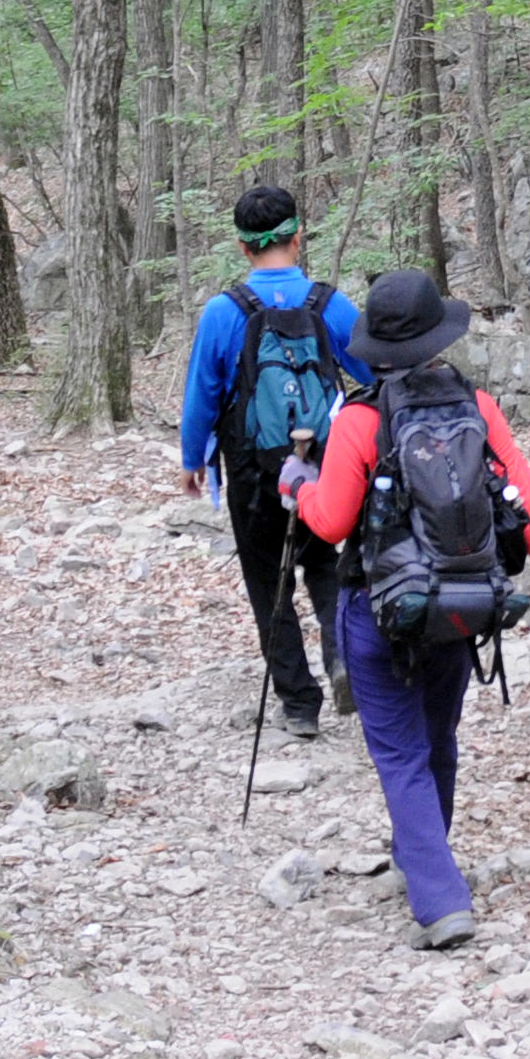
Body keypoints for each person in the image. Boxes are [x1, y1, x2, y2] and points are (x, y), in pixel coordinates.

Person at [284, 267, 530, 951]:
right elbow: (527, 503)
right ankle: (426, 854)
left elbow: (331, 523)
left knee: (399, 753)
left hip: (380, 608)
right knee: (437, 737)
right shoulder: (477, 407)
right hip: (464, 602)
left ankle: (440, 895)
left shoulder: (361, 417)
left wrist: (296, 484)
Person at [177, 185, 365, 739]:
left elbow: (202, 394)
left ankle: (299, 704)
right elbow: (373, 368)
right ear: (297, 235)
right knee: (327, 562)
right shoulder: (328, 304)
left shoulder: (224, 311)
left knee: (267, 579)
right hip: (325, 460)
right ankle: (345, 658)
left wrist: (194, 460)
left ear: (243, 248)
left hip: (252, 462)